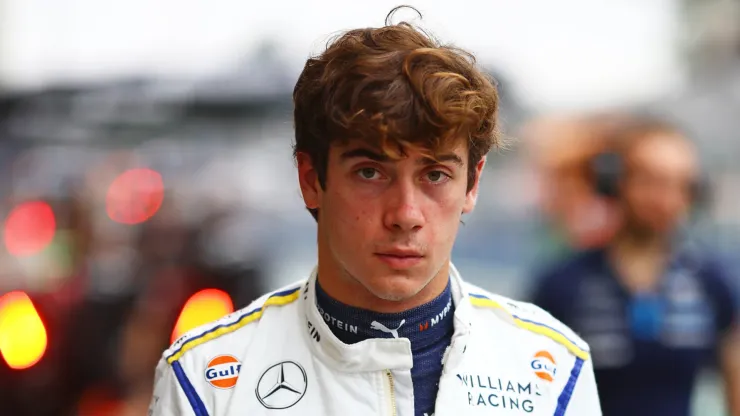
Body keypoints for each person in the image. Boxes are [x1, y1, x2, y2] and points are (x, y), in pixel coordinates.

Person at [148, 8, 602, 416]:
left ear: (473, 183)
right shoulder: (205, 381)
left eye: (436, 175)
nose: (405, 214)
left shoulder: (552, 370)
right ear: (311, 179)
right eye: (370, 173)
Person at [530, 116, 740, 416]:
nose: (666, 199)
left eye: (681, 184)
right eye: (651, 180)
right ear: (613, 181)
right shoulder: (562, 285)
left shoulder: (710, 283)